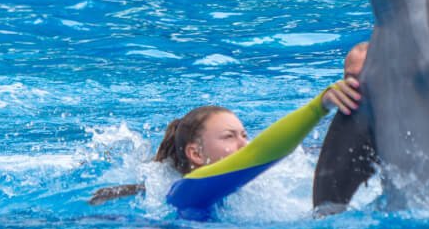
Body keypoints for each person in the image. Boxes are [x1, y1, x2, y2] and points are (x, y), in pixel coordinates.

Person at [89, 41, 369, 218]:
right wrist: (318, 107)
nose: (244, 144)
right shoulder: (185, 193)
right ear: (196, 153)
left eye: (244, 135)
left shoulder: (248, 192)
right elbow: (260, 153)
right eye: (229, 137)